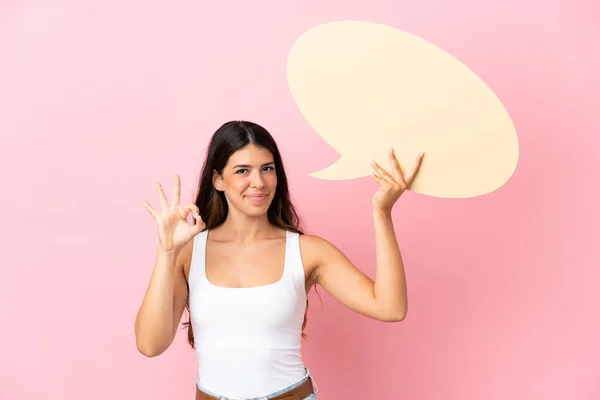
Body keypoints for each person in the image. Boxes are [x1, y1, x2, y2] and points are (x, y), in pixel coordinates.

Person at [135, 120, 424, 400]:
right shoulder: (187, 252)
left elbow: (390, 307)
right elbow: (150, 344)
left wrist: (382, 213)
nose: (258, 182)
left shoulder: (308, 251)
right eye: (242, 171)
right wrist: (167, 251)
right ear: (218, 180)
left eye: (267, 169)